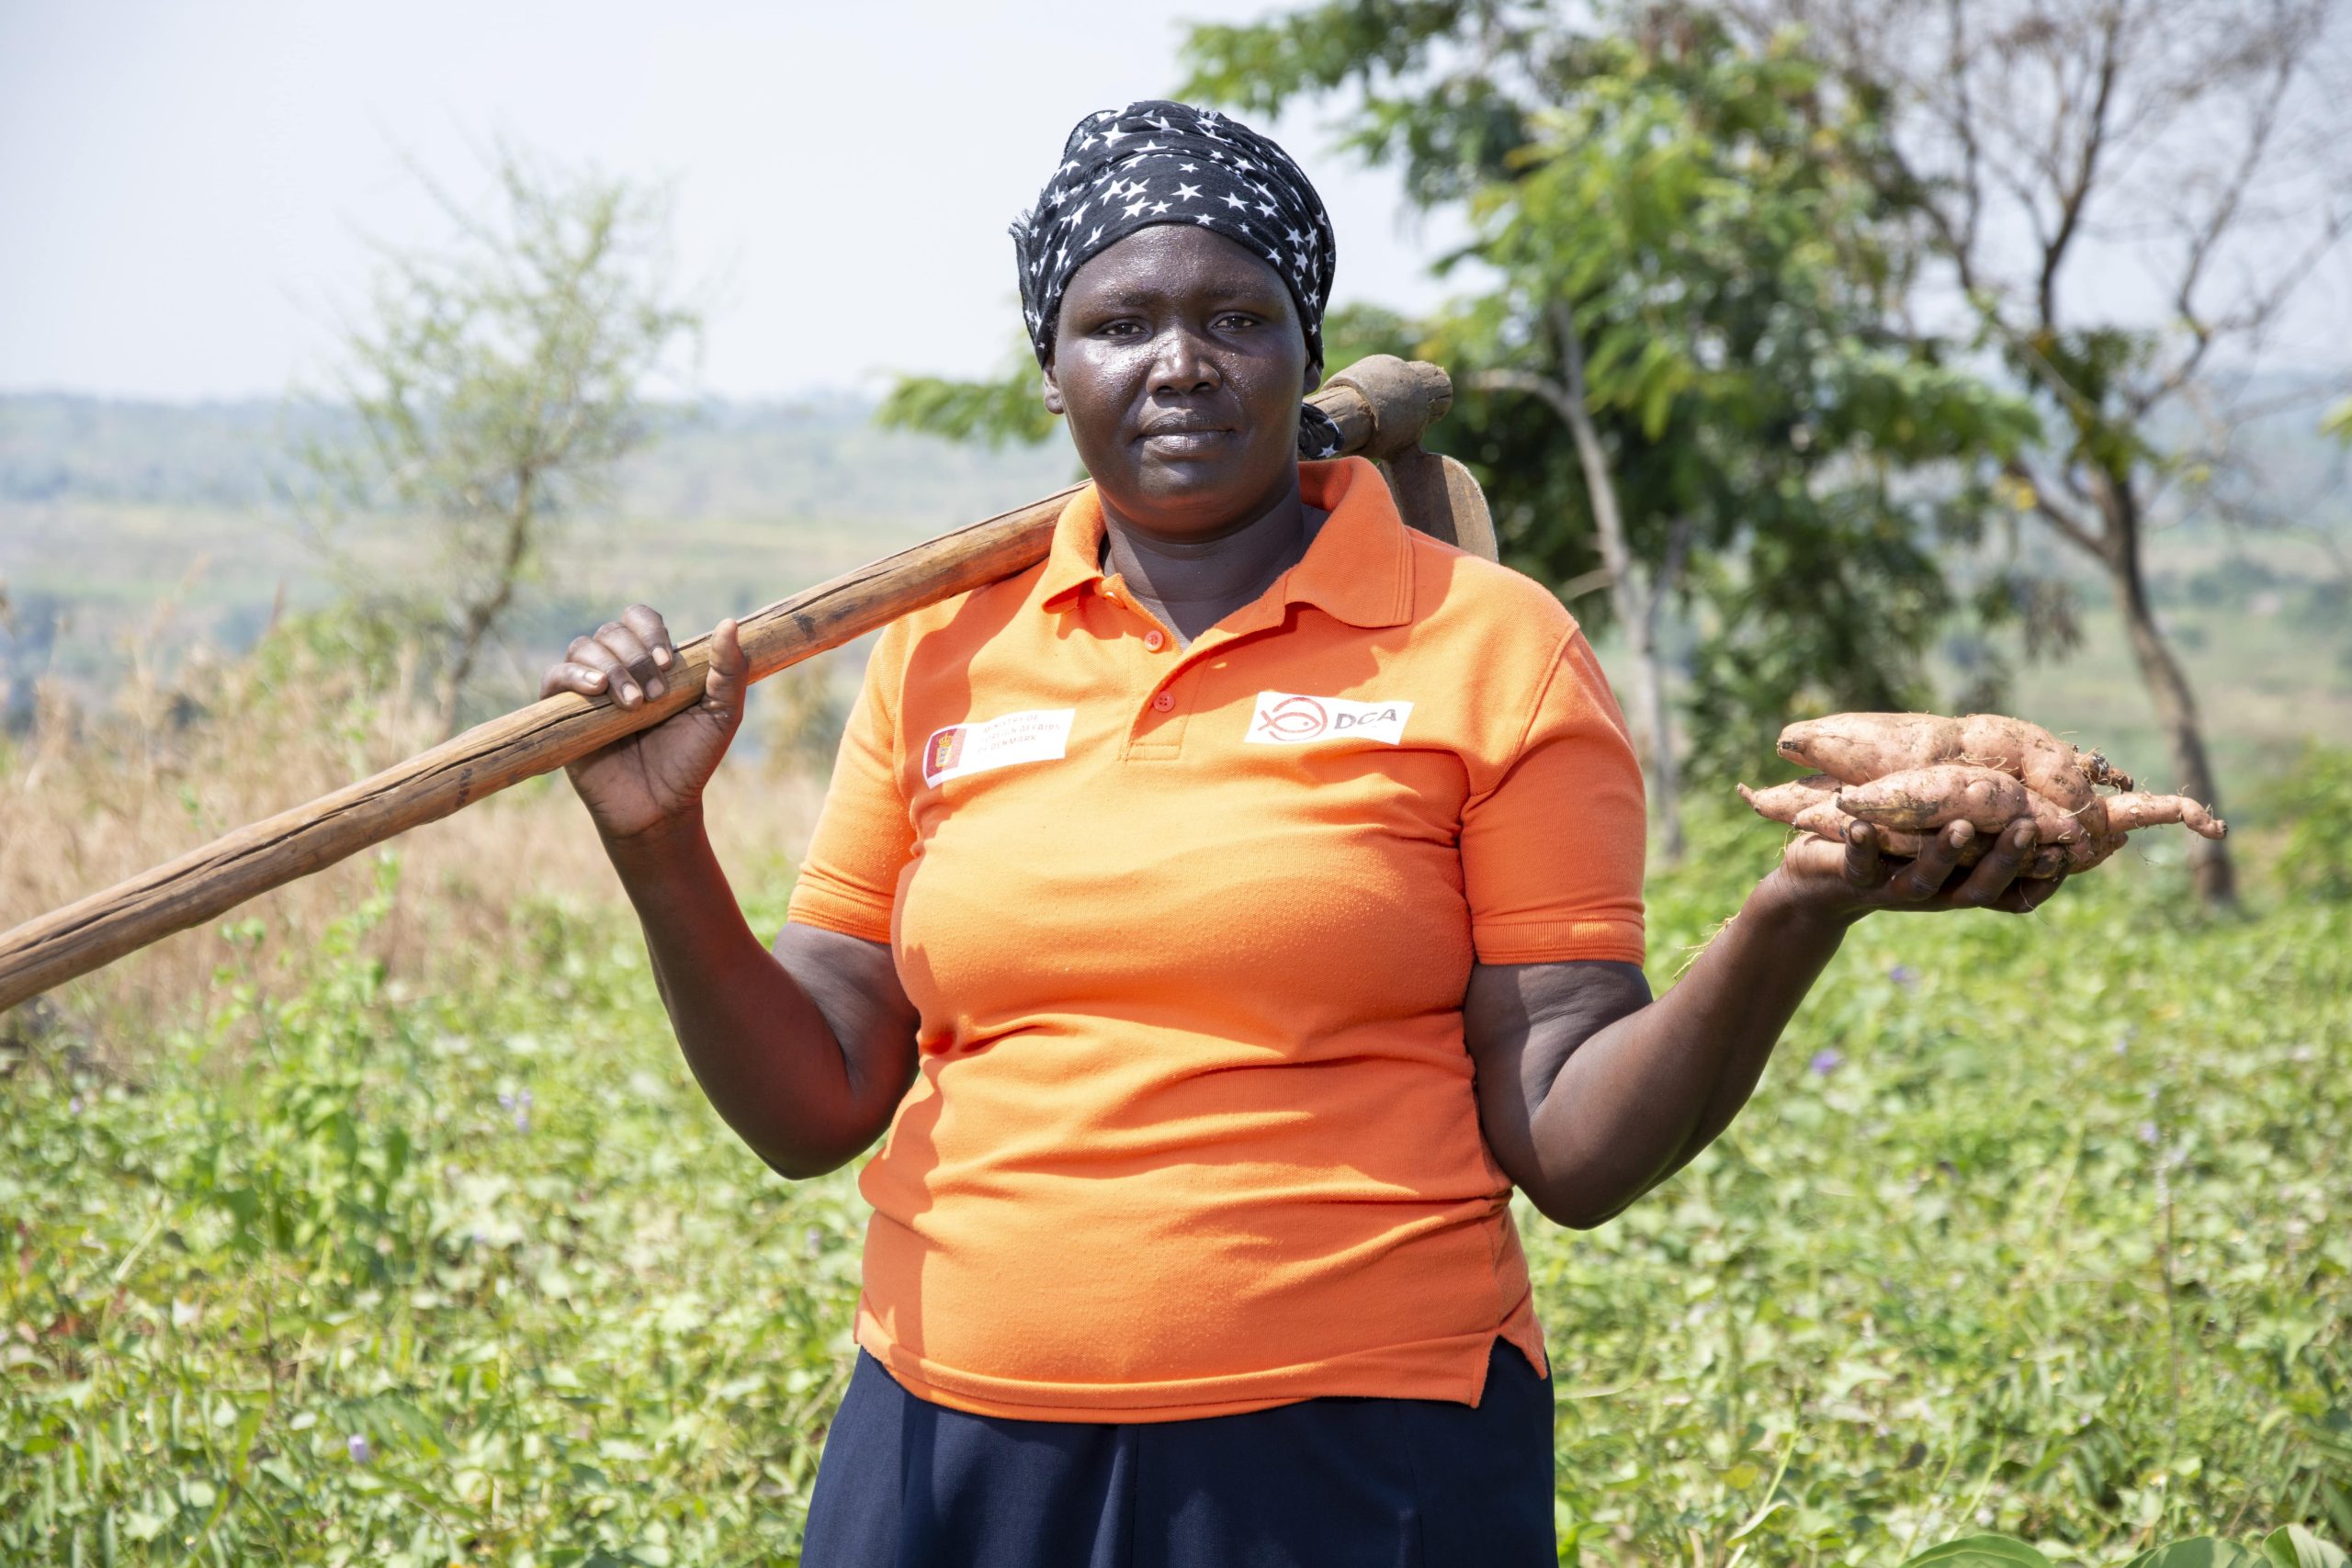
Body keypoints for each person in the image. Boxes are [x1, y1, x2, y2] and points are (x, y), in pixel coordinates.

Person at [541, 99, 2064, 1568]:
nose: (1181, 364)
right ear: (1052, 369)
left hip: (1356, 1451)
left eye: (1237, 317)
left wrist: (1796, 908)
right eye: (1120, 323)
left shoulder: (1489, 648)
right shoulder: (943, 651)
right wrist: (657, 846)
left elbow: (1573, 1142)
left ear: (1304, 351)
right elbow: (812, 1106)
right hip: (951, 1439)